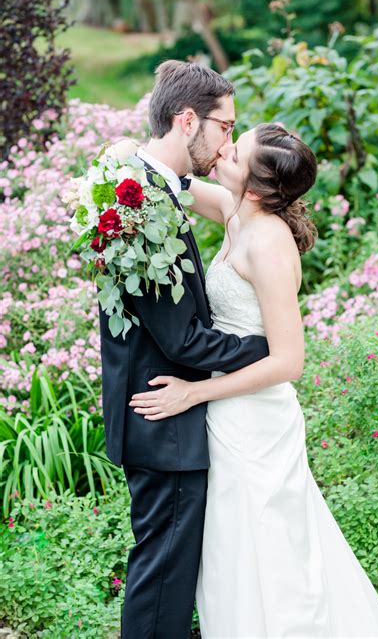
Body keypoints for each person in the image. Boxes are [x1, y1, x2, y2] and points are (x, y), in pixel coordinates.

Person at [130, 124, 378, 638]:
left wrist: (195, 391)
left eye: (235, 152)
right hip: (229, 418)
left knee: (271, 565)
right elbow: (179, 185)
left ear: (255, 187)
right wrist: (132, 157)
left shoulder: (271, 244)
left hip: (256, 424)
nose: (223, 151)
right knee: (232, 563)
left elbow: (289, 361)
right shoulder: (238, 210)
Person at [98, 60, 269, 639]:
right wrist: (267, 349)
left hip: (158, 414)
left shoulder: (145, 187)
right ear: (188, 119)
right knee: (163, 581)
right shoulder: (143, 208)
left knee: (166, 574)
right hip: (162, 417)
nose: (226, 144)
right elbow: (184, 339)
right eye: (226, 127)